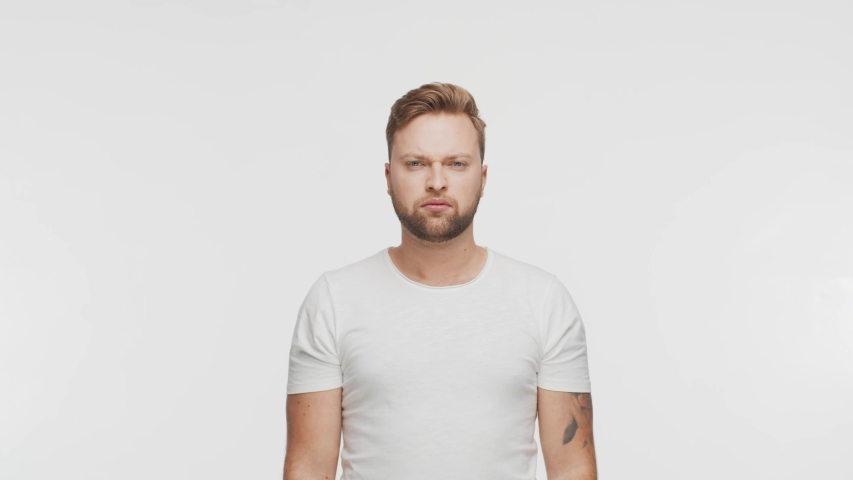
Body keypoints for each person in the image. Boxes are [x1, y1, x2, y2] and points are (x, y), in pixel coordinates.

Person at [283, 82, 597, 479]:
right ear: (387, 175)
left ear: (483, 177)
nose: (436, 182)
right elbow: (309, 468)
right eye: (415, 163)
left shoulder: (544, 301)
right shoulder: (333, 300)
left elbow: (572, 469)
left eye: (456, 163)